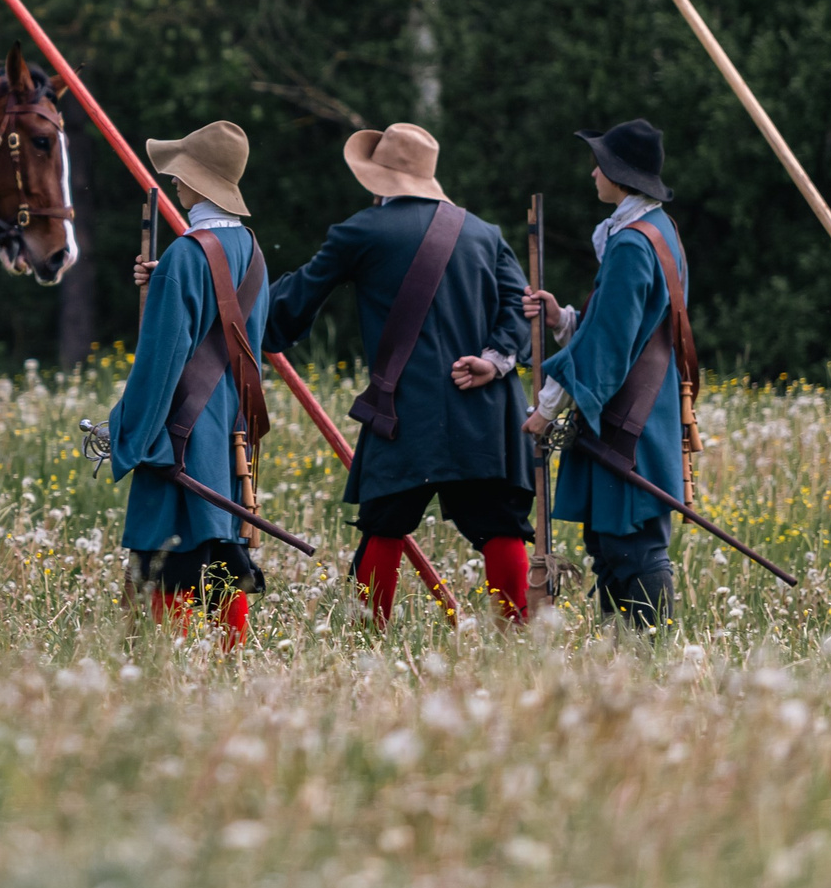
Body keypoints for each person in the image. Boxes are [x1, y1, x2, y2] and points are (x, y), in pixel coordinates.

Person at [262, 123, 535, 626]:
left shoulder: (361, 230)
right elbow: (522, 311)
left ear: (377, 178)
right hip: (485, 407)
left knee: (384, 523)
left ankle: (368, 639)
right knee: (501, 525)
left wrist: (232, 295)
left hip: (407, 408)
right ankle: (521, 642)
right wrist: (495, 359)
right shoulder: (484, 232)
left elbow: (293, 302)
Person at [105, 121, 272, 648]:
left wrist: (127, 430)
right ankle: (232, 661)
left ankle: (162, 667)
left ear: (200, 182)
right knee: (219, 549)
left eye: (182, 173)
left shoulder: (185, 255)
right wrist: (167, 281)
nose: (175, 181)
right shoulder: (251, 250)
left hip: (178, 434)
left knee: (167, 555)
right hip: (226, 434)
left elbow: (158, 367)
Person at [522, 120, 691, 628]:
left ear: (620, 175)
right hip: (637, 408)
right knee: (613, 541)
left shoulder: (633, 244)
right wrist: (563, 320)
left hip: (629, 417)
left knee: (631, 543)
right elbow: (622, 327)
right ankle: (624, 653)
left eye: (600, 165)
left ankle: (649, 652)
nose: (593, 173)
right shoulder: (656, 229)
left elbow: (610, 347)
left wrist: (547, 407)